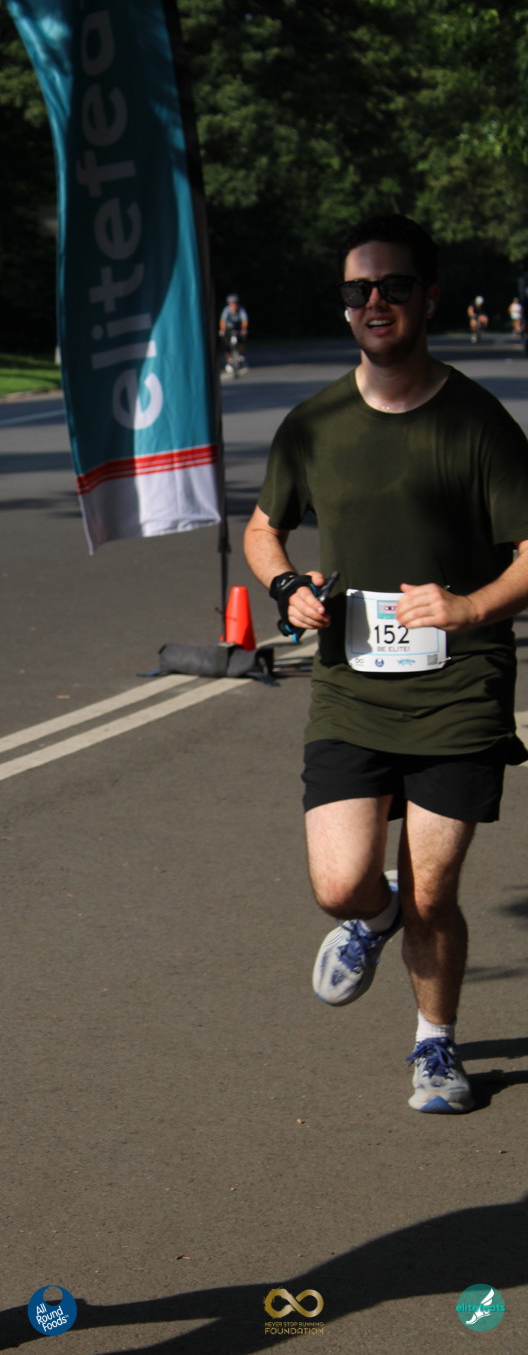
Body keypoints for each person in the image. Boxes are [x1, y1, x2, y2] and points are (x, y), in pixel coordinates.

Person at [244, 213, 528, 1115]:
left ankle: (435, 1045)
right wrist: (286, 583)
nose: (374, 302)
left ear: (428, 297)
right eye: (357, 289)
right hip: (352, 687)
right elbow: (263, 527)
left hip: (459, 687)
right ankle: (374, 914)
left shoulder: (478, 423)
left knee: (436, 891)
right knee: (338, 883)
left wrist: (469, 607)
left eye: (393, 286)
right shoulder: (314, 423)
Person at [218, 293, 249, 374]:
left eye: (235, 304)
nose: (234, 306)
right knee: (226, 344)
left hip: (238, 328)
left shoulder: (241, 309)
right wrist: (222, 329)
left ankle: (241, 355)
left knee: (242, 339)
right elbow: (222, 321)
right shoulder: (226, 310)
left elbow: (244, 320)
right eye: (232, 304)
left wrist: (244, 329)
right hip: (228, 329)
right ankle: (229, 360)